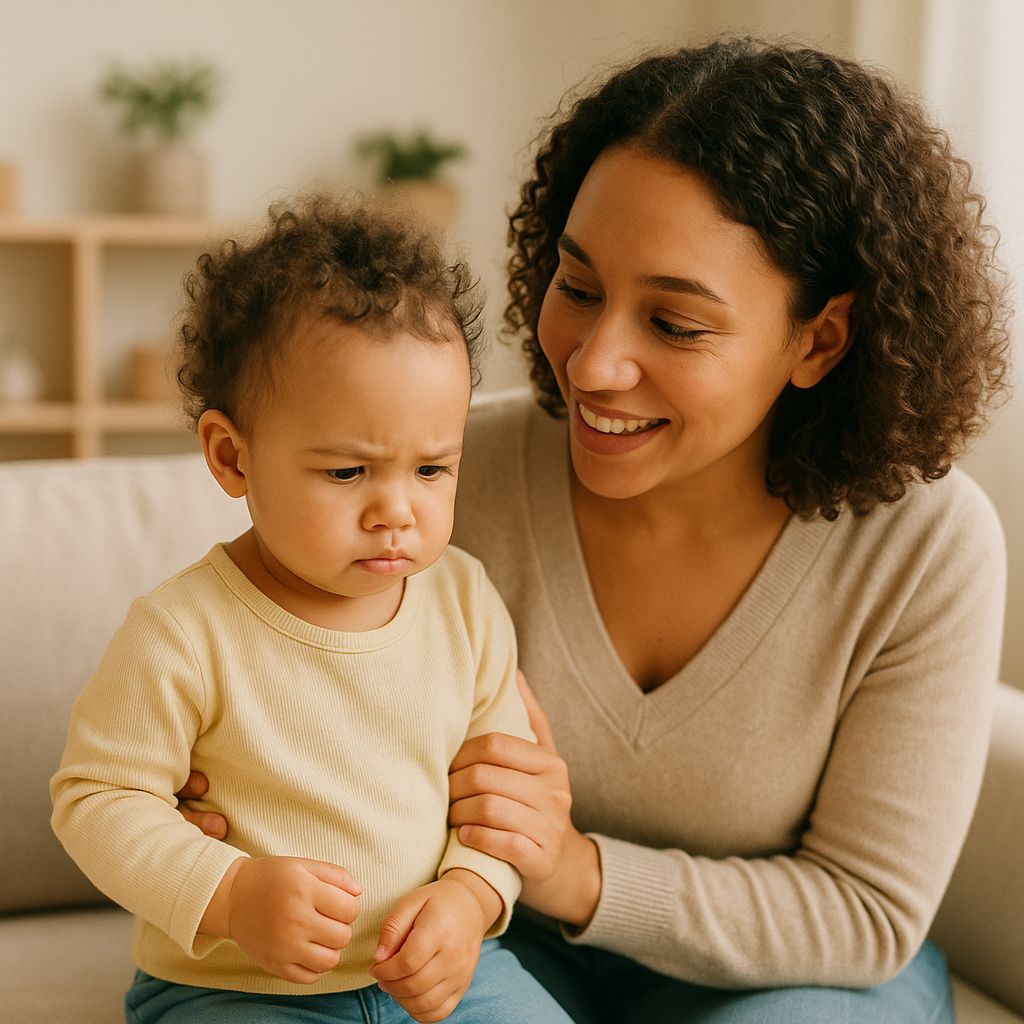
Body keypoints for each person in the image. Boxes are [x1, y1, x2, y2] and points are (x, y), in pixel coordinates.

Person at [177, 37, 1010, 1023]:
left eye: (674, 324)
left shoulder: (924, 549)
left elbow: (865, 912)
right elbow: (250, 653)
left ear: (816, 339)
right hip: (474, 942)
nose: (593, 362)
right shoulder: (442, 484)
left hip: (790, 980)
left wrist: (575, 871)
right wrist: (218, 793)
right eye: (577, 289)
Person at [50, 197, 574, 1024]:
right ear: (233, 456)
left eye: (433, 470)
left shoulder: (465, 602)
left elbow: (494, 803)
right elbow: (97, 800)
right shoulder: (183, 632)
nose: (396, 510)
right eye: (346, 473)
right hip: (229, 987)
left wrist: (470, 902)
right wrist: (228, 894)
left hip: (448, 979)